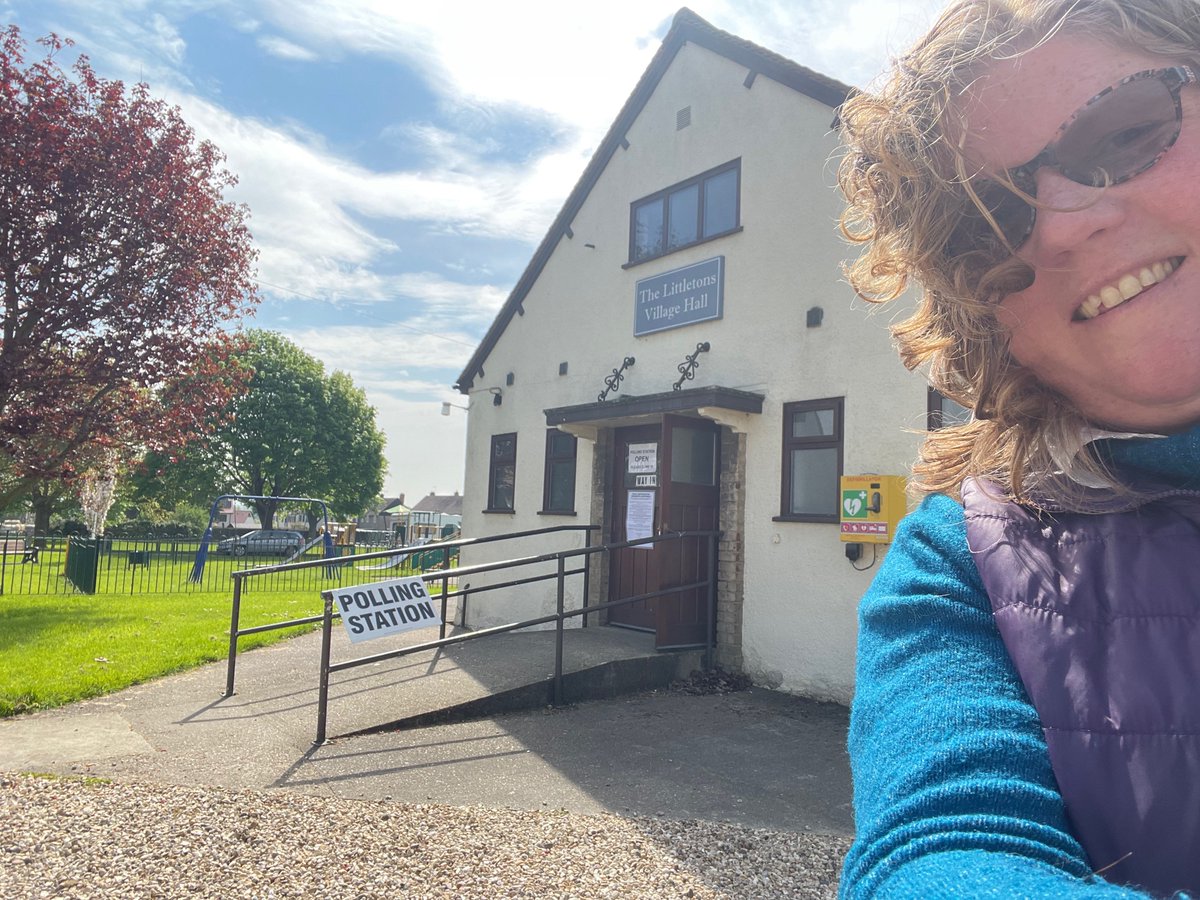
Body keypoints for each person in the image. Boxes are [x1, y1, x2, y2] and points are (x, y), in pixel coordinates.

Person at [836, 1, 1200, 896]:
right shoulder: (961, 562)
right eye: (989, 220)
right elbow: (941, 846)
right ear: (994, 328)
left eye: (1122, 129)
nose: (1063, 220)